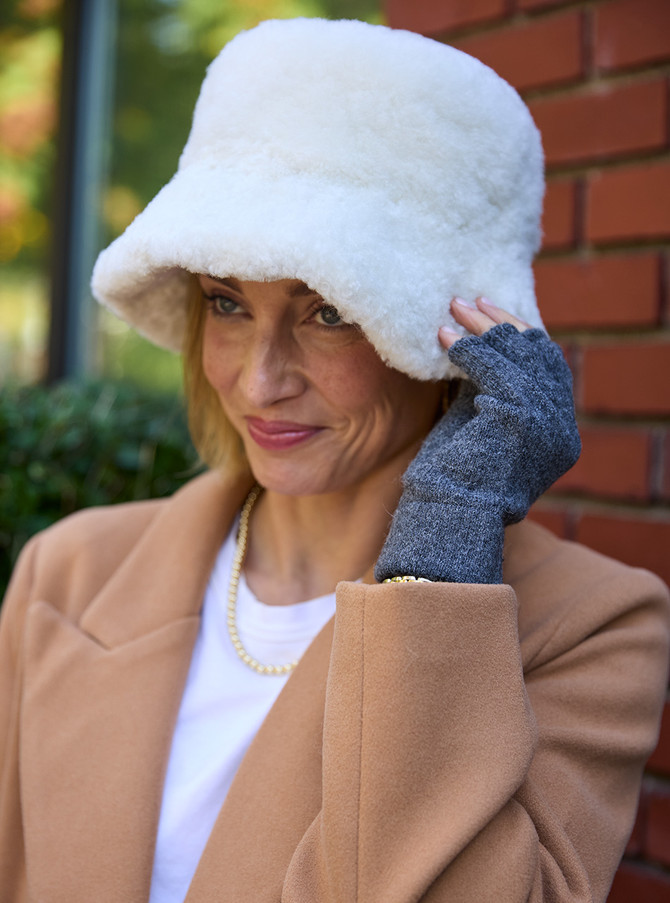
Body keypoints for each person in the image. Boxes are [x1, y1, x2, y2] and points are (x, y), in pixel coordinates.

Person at [1, 17, 668, 903]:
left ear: (454, 345)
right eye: (227, 302)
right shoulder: (70, 573)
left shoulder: (591, 628)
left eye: (329, 313)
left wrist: (441, 560)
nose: (260, 378)